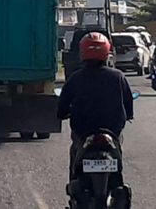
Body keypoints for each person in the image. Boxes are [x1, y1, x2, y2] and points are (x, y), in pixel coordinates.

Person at [57, 32, 134, 179]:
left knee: (75, 153)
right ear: (106, 52)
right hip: (112, 131)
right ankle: (117, 179)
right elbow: (128, 101)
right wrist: (129, 114)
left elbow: (63, 104)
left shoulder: (76, 78)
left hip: (83, 131)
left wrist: (62, 114)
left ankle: (74, 181)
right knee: (117, 153)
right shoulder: (118, 76)